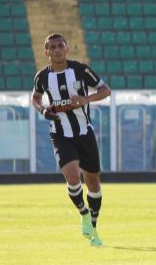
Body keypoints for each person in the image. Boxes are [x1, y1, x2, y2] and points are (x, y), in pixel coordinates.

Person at [31, 33, 111, 247]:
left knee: (93, 182)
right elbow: (35, 98)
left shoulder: (80, 70)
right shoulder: (42, 77)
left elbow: (105, 90)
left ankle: (93, 226)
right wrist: (42, 111)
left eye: (60, 46)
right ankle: (84, 214)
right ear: (46, 52)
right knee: (73, 177)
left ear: (67, 49)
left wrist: (86, 99)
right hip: (60, 133)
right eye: (52, 47)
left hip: (85, 132)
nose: (57, 50)